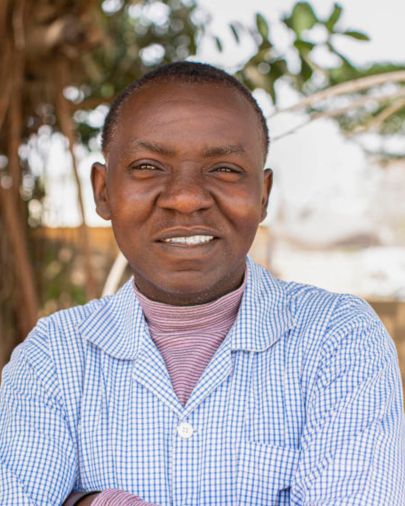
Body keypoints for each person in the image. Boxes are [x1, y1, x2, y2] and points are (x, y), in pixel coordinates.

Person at [0, 61, 404, 506]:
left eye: (224, 169)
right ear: (103, 191)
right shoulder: (54, 356)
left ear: (263, 195)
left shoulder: (337, 337)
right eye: (148, 166)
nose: (186, 198)